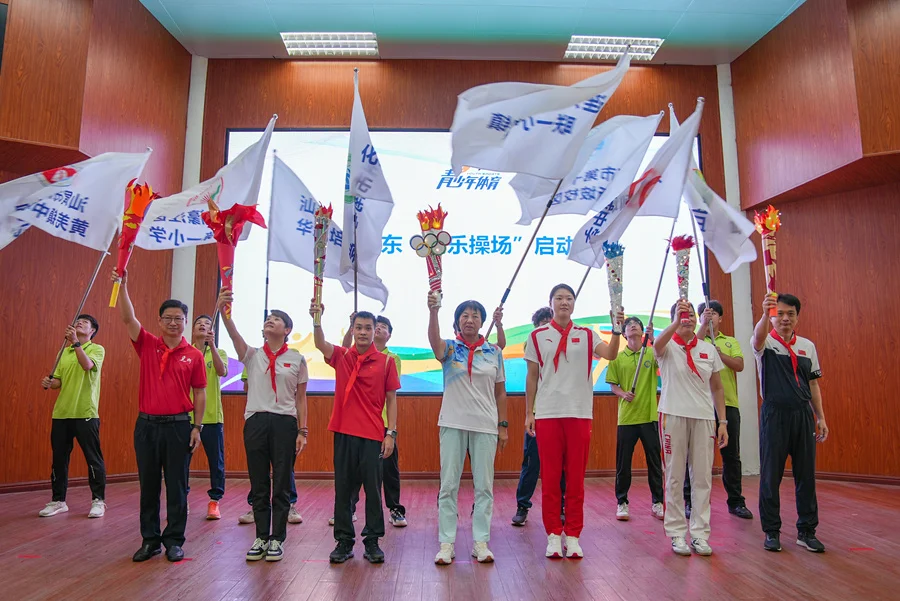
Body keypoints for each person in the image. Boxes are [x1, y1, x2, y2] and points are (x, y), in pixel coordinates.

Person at [525, 284, 623, 559]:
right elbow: (531, 376)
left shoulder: (587, 334)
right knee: (550, 478)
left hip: (579, 413)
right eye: (559, 298)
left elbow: (611, 354)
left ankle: (573, 534)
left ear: (574, 303)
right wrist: (529, 412)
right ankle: (553, 535)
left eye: (569, 298)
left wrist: (617, 330)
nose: (564, 302)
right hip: (547, 413)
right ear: (551, 303)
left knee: (576, 479)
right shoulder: (537, 336)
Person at [114, 269, 206, 563]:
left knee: (177, 486)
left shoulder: (194, 355)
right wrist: (123, 285)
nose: (173, 322)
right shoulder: (148, 344)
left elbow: (200, 393)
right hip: (147, 426)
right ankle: (150, 540)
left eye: (179, 318)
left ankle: (174, 541)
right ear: (159, 321)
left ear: (185, 322)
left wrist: (197, 427)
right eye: (168, 318)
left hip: (179, 427)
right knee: (149, 486)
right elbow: (128, 318)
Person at [218, 288, 308, 562]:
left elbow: (301, 399)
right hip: (256, 422)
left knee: (281, 482)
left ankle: (277, 538)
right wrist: (224, 310)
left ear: (287, 330)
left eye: (277, 319)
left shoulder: (297, 359)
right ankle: (260, 537)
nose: (270, 321)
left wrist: (303, 431)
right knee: (258, 482)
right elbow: (233, 334)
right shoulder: (252, 355)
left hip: (285, 424)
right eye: (268, 318)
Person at [311, 303, 399, 565]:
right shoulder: (342, 356)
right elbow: (320, 344)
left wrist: (391, 433)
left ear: (374, 332)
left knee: (373, 490)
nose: (363, 332)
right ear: (352, 330)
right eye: (358, 327)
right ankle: (344, 541)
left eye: (368, 328)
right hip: (343, 433)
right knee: (343, 489)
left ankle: (372, 541)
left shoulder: (386, 362)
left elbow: (392, 400)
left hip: (372, 434)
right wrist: (317, 319)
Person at [428, 296, 508, 565]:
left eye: (475, 315)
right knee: (448, 486)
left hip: (485, 425)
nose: (470, 319)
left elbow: (500, 392)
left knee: (484, 487)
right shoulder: (449, 349)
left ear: (482, 322)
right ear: (458, 322)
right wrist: (433, 311)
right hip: (452, 423)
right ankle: (446, 543)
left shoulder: (494, 352)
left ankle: (480, 542)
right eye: (465, 315)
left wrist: (503, 425)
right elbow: (434, 341)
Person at [753, 294, 828, 553]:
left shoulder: (807, 346)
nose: (785, 318)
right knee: (771, 475)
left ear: (797, 316)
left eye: (791, 314)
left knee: (806, 475)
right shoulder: (765, 343)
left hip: (802, 415)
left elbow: (813, 384)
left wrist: (820, 417)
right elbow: (757, 337)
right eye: (780, 313)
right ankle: (772, 531)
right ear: (773, 316)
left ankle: (807, 531)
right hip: (774, 415)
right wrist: (765, 314)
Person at [654, 300, 728, 557]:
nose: (688, 320)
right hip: (673, 415)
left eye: (691, 316)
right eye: (681, 316)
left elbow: (717, 387)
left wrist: (723, 422)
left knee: (703, 478)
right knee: (674, 476)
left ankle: (700, 534)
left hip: (704, 418)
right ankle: (676, 533)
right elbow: (656, 345)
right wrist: (677, 320)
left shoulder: (708, 349)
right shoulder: (667, 347)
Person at [683, 301, 753, 519]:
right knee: (693, 456)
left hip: (728, 405)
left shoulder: (730, 341)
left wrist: (718, 353)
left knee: (731, 456)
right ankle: (690, 501)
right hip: (699, 405)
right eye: (706, 314)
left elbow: (739, 365)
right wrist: (703, 328)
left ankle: (736, 502)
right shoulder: (694, 340)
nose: (710, 317)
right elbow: (692, 350)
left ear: (720, 318)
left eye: (713, 314)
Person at [38, 314, 107, 519]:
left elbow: (87, 366)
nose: (79, 323)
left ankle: (98, 501)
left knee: (93, 458)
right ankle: (58, 501)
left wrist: (76, 342)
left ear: (92, 331)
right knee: (59, 459)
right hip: (62, 413)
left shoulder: (97, 349)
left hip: (86, 412)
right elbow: (59, 381)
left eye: (84, 322)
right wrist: (50, 383)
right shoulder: (64, 352)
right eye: (78, 321)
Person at [511, 307, 566, 527]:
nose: (545, 324)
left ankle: (561, 507)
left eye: (548, 320)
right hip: (539, 413)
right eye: (541, 322)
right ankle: (522, 506)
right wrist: (529, 413)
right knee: (531, 462)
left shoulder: (566, 341)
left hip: (561, 411)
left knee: (561, 464)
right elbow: (532, 377)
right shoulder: (533, 342)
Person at [606, 317, 664, 522]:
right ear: (624, 333)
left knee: (654, 463)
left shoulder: (650, 353)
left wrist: (653, 340)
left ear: (642, 331)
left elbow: (663, 359)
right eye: (629, 324)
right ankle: (622, 502)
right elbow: (613, 385)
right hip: (627, 419)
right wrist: (623, 394)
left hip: (648, 416)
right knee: (623, 464)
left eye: (636, 324)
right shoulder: (617, 358)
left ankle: (658, 502)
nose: (633, 326)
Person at [237, 365, 304, 525]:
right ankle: (256, 507)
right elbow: (247, 386)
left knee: (284, 468)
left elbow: (298, 392)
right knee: (259, 470)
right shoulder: (254, 357)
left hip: (283, 417)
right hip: (260, 418)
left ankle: (289, 506)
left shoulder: (293, 357)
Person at [187, 315, 228, 520]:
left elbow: (222, 371)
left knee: (216, 462)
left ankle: (214, 501)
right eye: (199, 323)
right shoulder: (185, 352)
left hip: (212, 417)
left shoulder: (219, 352)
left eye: (207, 324)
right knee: (181, 462)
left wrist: (211, 346)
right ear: (192, 329)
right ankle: (181, 499)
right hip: (186, 416)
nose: (203, 325)